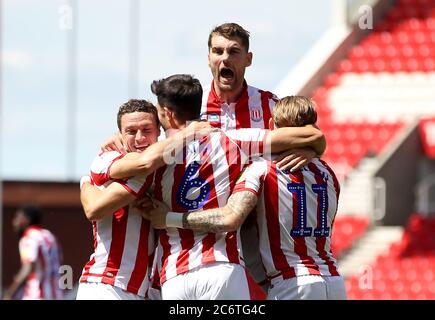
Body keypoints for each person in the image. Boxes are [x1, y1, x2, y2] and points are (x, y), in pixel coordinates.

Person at [82, 75, 326, 300]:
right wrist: (310, 146)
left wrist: (87, 180)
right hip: (223, 269)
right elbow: (305, 136)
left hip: (175, 277)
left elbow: (113, 189)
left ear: (165, 113)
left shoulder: (154, 162)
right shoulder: (232, 140)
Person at [147, 96, 347, 300]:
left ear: (271, 125)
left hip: (293, 282)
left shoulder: (262, 169)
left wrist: (169, 218)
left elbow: (230, 218)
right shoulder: (328, 173)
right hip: (334, 280)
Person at [3, 205, 63, 300]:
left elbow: (28, 268)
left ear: (27, 219)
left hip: (37, 294)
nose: (14, 222)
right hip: (56, 294)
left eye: (18, 217)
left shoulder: (29, 237)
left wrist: (10, 293)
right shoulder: (49, 235)